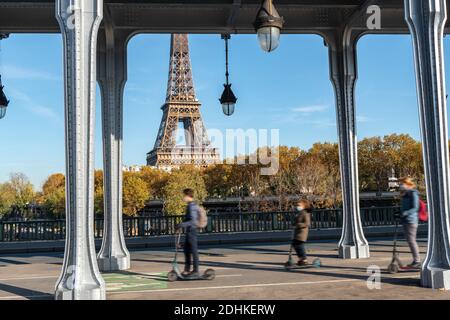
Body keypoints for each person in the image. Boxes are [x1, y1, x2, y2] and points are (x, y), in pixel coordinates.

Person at [176, 188, 200, 277]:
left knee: (193, 251)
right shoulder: (190, 205)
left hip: (192, 231)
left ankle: (196, 271)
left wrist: (181, 225)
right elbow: (188, 219)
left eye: (184, 195)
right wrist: (180, 225)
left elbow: (193, 221)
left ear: (188, 196)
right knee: (186, 250)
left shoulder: (192, 206)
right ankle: (187, 269)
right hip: (189, 231)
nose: (183, 197)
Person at [399, 177, 421, 268]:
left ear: (407, 184)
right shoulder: (405, 194)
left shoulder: (413, 193)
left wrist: (405, 213)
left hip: (411, 220)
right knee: (410, 241)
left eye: (402, 183)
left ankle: (417, 261)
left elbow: (415, 208)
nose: (401, 185)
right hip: (406, 220)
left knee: (412, 241)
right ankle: (416, 260)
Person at [292, 199, 312, 266]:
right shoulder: (300, 212)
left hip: (302, 233)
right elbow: (297, 221)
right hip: (297, 233)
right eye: (297, 205)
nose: (297, 206)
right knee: (295, 245)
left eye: (299, 205)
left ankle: (304, 259)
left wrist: (298, 225)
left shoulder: (305, 213)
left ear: (304, 206)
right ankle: (301, 258)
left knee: (299, 246)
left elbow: (307, 223)